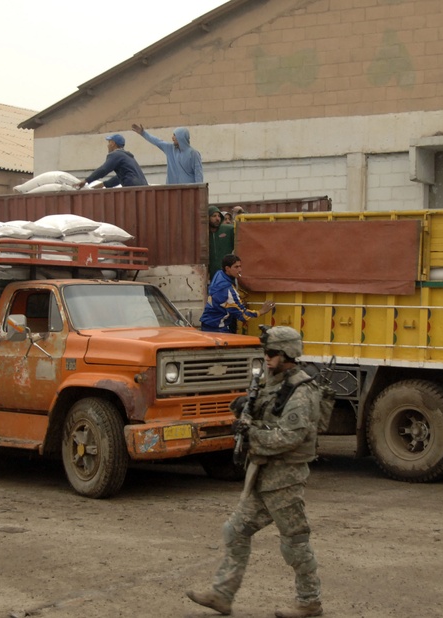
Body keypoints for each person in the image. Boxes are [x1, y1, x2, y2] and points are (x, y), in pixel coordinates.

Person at [187, 326, 324, 618]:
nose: (267, 357)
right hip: (262, 475)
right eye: (266, 352)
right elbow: (262, 412)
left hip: (284, 480)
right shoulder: (271, 382)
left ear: (287, 354)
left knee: (295, 542)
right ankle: (222, 595)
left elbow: (291, 436)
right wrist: (241, 410)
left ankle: (309, 601)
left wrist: (252, 435)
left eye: (272, 353)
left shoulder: (301, 390)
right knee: (235, 531)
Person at [200, 254, 273, 334]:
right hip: (217, 328)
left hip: (208, 323)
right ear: (227, 268)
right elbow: (243, 315)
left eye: (240, 266)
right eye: (236, 267)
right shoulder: (227, 290)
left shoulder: (219, 274)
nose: (240, 270)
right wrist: (261, 311)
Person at [131, 124, 203, 184]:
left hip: (189, 192)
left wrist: (199, 192)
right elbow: (157, 141)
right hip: (172, 192)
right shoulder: (170, 149)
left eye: (175, 135)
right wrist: (143, 133)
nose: (172, 138)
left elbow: (198, 174)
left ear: (181, 137)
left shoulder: (193, 154)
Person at [76, 134, 148, 189]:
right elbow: (120, 177)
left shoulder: (115, 154)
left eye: (109, 142)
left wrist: (86, 181)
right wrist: (104, 184)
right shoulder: (127, 156)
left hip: (132, 188)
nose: (108, 145)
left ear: (113, 143)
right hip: (144, 189)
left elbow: (103, 169)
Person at [208, 205, 235, 281]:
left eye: (219, 216)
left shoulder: (228, 230)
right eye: (214, 216)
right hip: (211, 273)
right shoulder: (204, 234)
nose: (217, 218)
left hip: (227, 272)